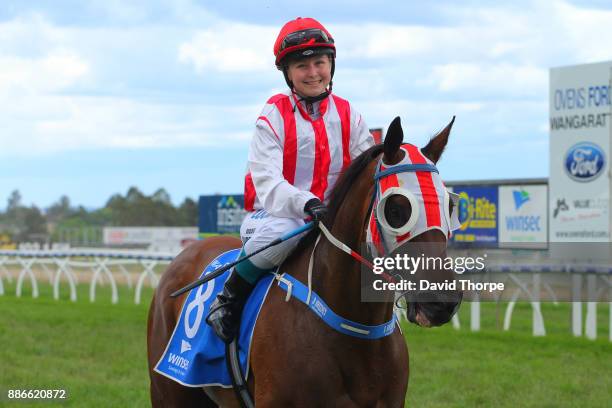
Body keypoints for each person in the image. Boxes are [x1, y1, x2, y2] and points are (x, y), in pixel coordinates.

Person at [206, 17, 375, 343]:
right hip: (274, 217)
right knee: (285, 232)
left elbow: (367, 168)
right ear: (288, 73)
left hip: (329, 219)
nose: (313, 73)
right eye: (302, 65)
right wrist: (306, 203)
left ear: (331, 65)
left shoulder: (348, 114)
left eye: (319, 63)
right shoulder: (272, 116)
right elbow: (268, 182)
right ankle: (229, 297)